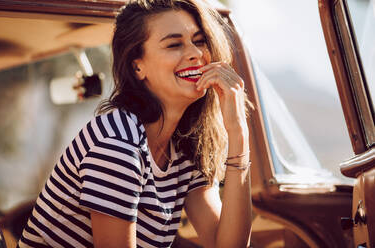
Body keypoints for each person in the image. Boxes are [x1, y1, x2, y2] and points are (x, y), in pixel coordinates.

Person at [18, 0, 252, 247]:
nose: (195, 53)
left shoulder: (185, 147)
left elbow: (226, 245)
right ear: (137, 66)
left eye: (200, 40)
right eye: (174, 44)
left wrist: (238, 131)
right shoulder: (117, 142)